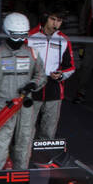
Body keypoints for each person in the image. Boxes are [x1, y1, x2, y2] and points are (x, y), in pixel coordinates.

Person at [0, 12, 45, 170]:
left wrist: (33, 84)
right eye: (16, 35)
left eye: (23, 35)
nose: (19, 39)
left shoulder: (33, 54)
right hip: (2, 110)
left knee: (23, 153)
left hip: (26, 110)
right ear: (7, 32)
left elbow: (41, 76)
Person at [26, 9, 75, 141]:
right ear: (45, 18)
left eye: (59, 21)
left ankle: (45, 158)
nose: (55, 23)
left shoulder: (64, 40)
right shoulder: (30, 36)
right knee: (26, 127)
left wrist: (61, 75)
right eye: (53, 19)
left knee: (49, 129)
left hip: (54, 88)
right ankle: (23, 155)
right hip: (32, 86)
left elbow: (70, 66)